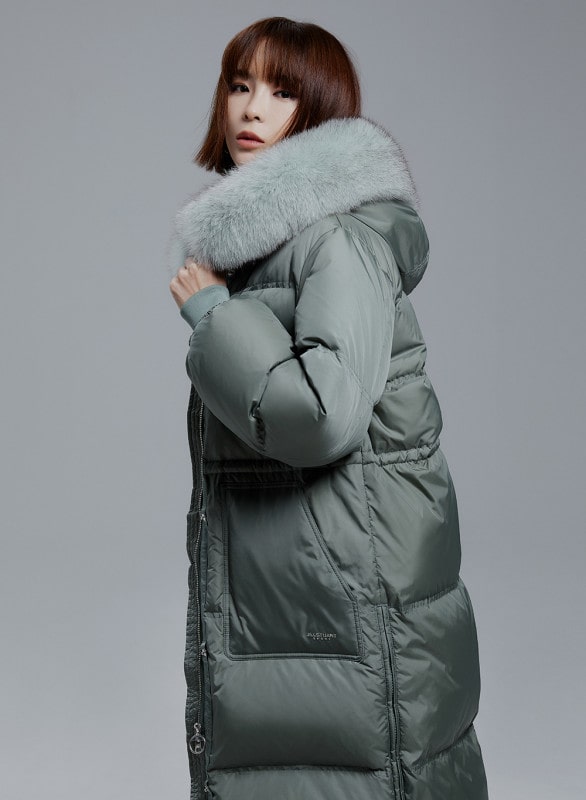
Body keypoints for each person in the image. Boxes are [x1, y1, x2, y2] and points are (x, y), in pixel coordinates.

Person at [167, 16, 488, 800]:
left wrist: (215, 319)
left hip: (344, 592)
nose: (251, 108)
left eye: (281, 92)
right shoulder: (264, 249)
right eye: (239, 85)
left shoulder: (335, 240)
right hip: (300, 597)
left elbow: (322, 414)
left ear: (319, 110)